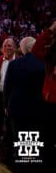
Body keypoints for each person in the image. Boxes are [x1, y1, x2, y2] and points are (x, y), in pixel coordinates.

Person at [4, 36, 45, 173]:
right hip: (36, 109)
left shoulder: (14, 64)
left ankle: (21, 169)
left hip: (17, 109)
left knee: (19, 142)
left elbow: (7, 88)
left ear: (22, 49)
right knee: (32, 143)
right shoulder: (43, 64)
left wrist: (6, 106)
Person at [32, 21, 56, 171]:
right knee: (46, 141)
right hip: (49, 104)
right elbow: (36, 49)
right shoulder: (51, 56)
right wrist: (51, 29)